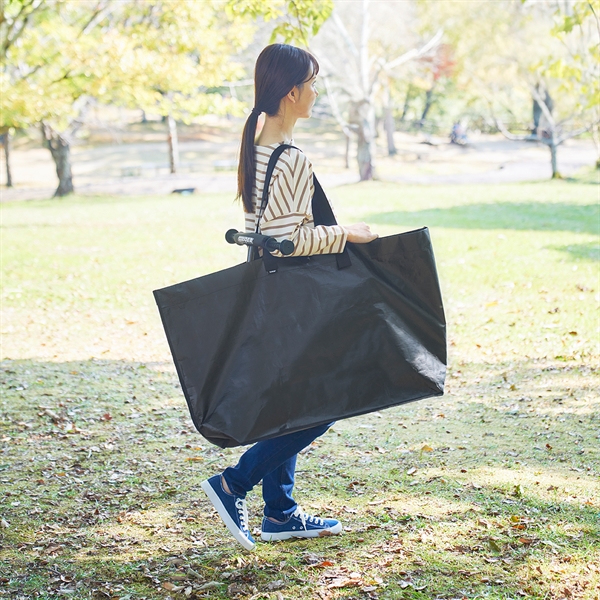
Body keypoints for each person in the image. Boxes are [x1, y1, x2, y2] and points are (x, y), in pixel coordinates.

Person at [201, 44, 377, 551]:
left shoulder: (256, 140)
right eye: (313, 83)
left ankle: (280, 513)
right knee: (321, 402)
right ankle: (234, 482)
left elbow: (269, 232)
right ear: (292, 91)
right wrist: (348, 233)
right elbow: (289, 239)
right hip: (291, 296)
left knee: (291, 402)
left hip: (266, 290)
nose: (317, 92)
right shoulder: (292, 157)